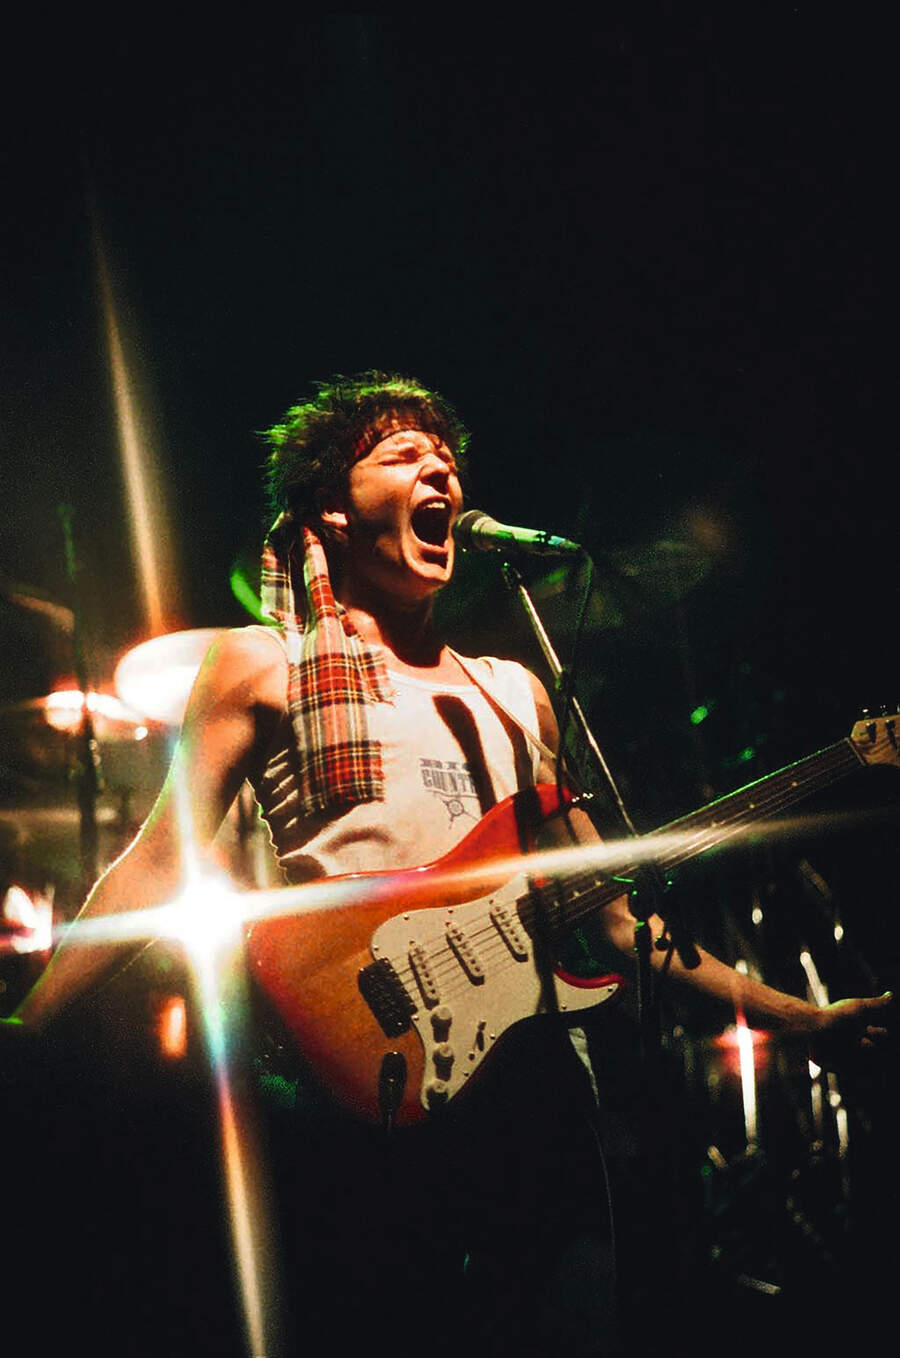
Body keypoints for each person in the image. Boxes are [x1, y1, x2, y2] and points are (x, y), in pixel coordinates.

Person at [7, 372, 892, 1355]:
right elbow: (159, 861)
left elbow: (610, 920)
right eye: (401, 452)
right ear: (333, 512)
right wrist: (32, 1023)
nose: (441, 467)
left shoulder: (516, 694)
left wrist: (804, 1018)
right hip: (354, 1063)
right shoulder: (261, 664)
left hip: (531, 1084)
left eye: (448, 457)